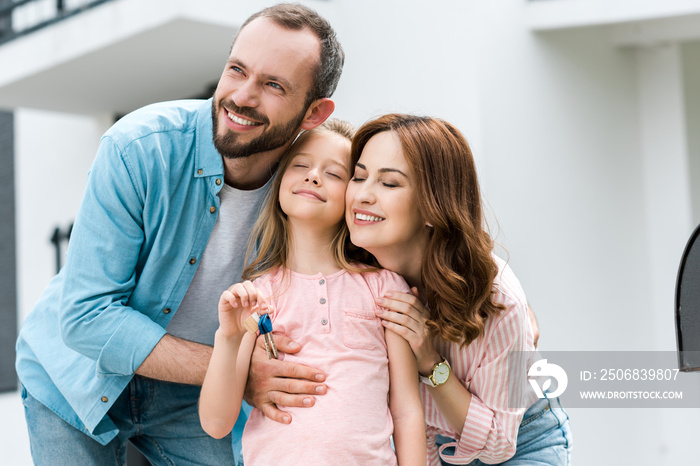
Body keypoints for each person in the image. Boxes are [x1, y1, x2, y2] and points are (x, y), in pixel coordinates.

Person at [15, 4, 342, 464]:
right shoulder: (137, 149)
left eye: (273, 85)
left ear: (313, 113)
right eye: (237, 70)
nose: (242, 97)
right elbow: (86, 316)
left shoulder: (311, 186)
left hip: (193, 391)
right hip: (74, 378)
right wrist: (241, 370)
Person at [344, 114, 572, 465]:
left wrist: (428, 360)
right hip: (429, 448)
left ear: (434, 207)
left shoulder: (497, 298)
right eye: (358, 176)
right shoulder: (349, 274)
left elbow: (498, 444)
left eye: (389, 184)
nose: (362, 194)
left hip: (518, 441)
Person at [199, 119, 426, 465]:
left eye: (334, 174)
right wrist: (228, 336)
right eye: (300, 165)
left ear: (353, 197)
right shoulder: (256, 298)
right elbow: (216, 424)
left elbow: (407, 410)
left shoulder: (384, 287)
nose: (313, 176)